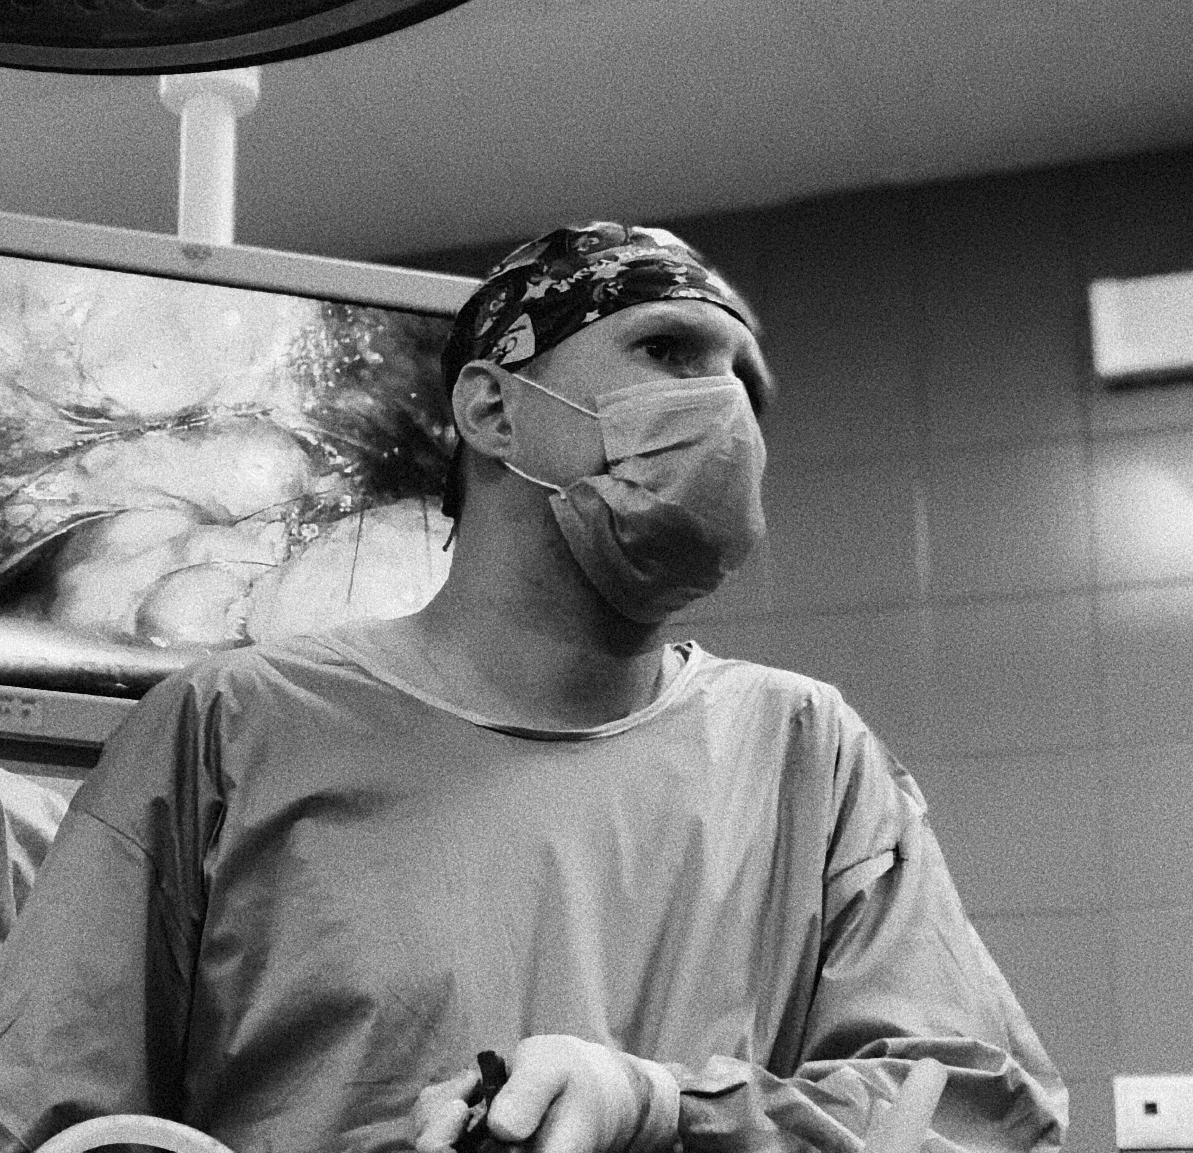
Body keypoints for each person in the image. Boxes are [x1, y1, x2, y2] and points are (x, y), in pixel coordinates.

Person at [0, 222, 1066, 1153]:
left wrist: (665, 1111)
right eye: (667, 350)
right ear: (492, 408)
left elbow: (969, 1113)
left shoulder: (805, 751)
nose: (725, 409)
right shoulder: (229, 728)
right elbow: (51, 1114)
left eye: (745, 383)